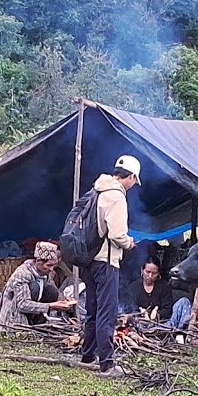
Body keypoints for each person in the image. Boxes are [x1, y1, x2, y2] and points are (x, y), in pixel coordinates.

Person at [78, 155, 138, 379]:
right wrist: (129, 242)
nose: (133, 185)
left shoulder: (97, 190)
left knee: (92, 308)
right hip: (106, 261)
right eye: (134, 180)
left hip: (89, 259)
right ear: (130, 177)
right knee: (107, 311)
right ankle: (106, 364)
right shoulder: (116, 197)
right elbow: (116, 235)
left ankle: (87, 355)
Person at [0, 241, 76, 328]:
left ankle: (38, 323)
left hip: (32, 314)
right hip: (14, 318)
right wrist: (51, 306)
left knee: (52, 291)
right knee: (34, 287)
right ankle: (28, 325)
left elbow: (55, 292)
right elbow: (22, 304)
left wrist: (65, 300)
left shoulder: (45, 274)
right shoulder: (22, 274)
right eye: (49, 265)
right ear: (38, 261)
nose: (51, 269)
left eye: (54, 266)